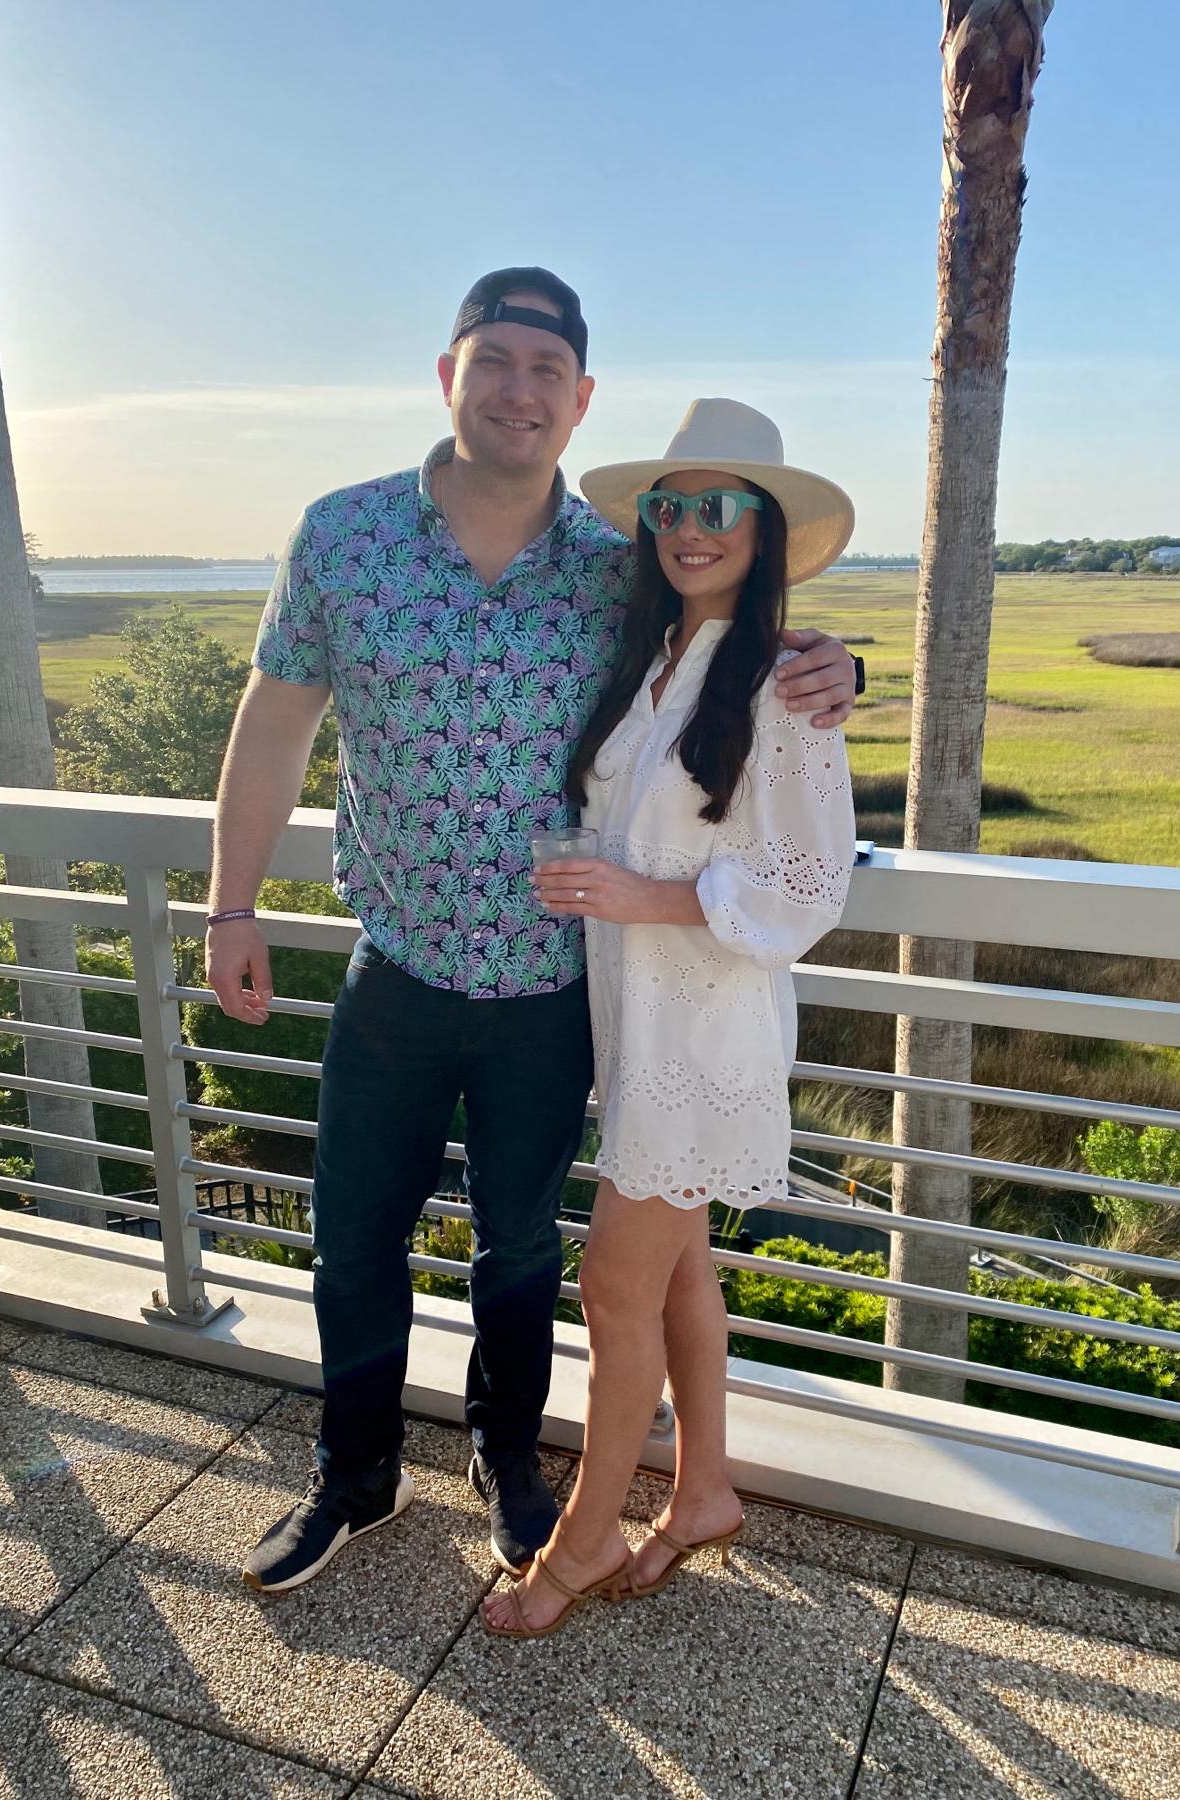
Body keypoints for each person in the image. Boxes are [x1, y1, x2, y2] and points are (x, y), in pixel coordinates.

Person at [206, 271, 860, 1594]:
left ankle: (511, 1462)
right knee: (353, 1235)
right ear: (447, 374)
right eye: (494, 360)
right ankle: (354, 1474)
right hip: (398, 965)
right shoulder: (342, 535)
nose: (519, 389)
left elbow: (739, 640)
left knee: (518, 1247)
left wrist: (840, 665)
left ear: (581, 398)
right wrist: (232, 903)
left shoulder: (615, 564)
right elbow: (274, 722)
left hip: (558, 993)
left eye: (545, 369)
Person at [481, 398, 857, 1637]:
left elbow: (810, 884)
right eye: (669, 506)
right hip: (635, 1023)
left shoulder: (784, 684)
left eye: (718, 506)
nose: (691, 528)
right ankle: (701, 1494)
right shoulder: (651, 664)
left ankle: (584, 1539)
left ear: (765, 528)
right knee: (681, 1268)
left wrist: (643, 896)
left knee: (610, 1289)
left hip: (703, 1037)